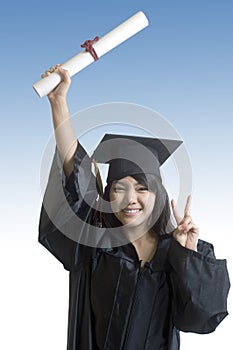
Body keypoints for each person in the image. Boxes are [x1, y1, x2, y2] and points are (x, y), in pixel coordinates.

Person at [39, 66, 230, 350]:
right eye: (119, 188)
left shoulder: (176, 255)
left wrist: (188, 256)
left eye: (142, 188)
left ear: (159, 195)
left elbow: (199, 319)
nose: (131, 199)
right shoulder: (96, 245)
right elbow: (75, 172)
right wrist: (59, 103)